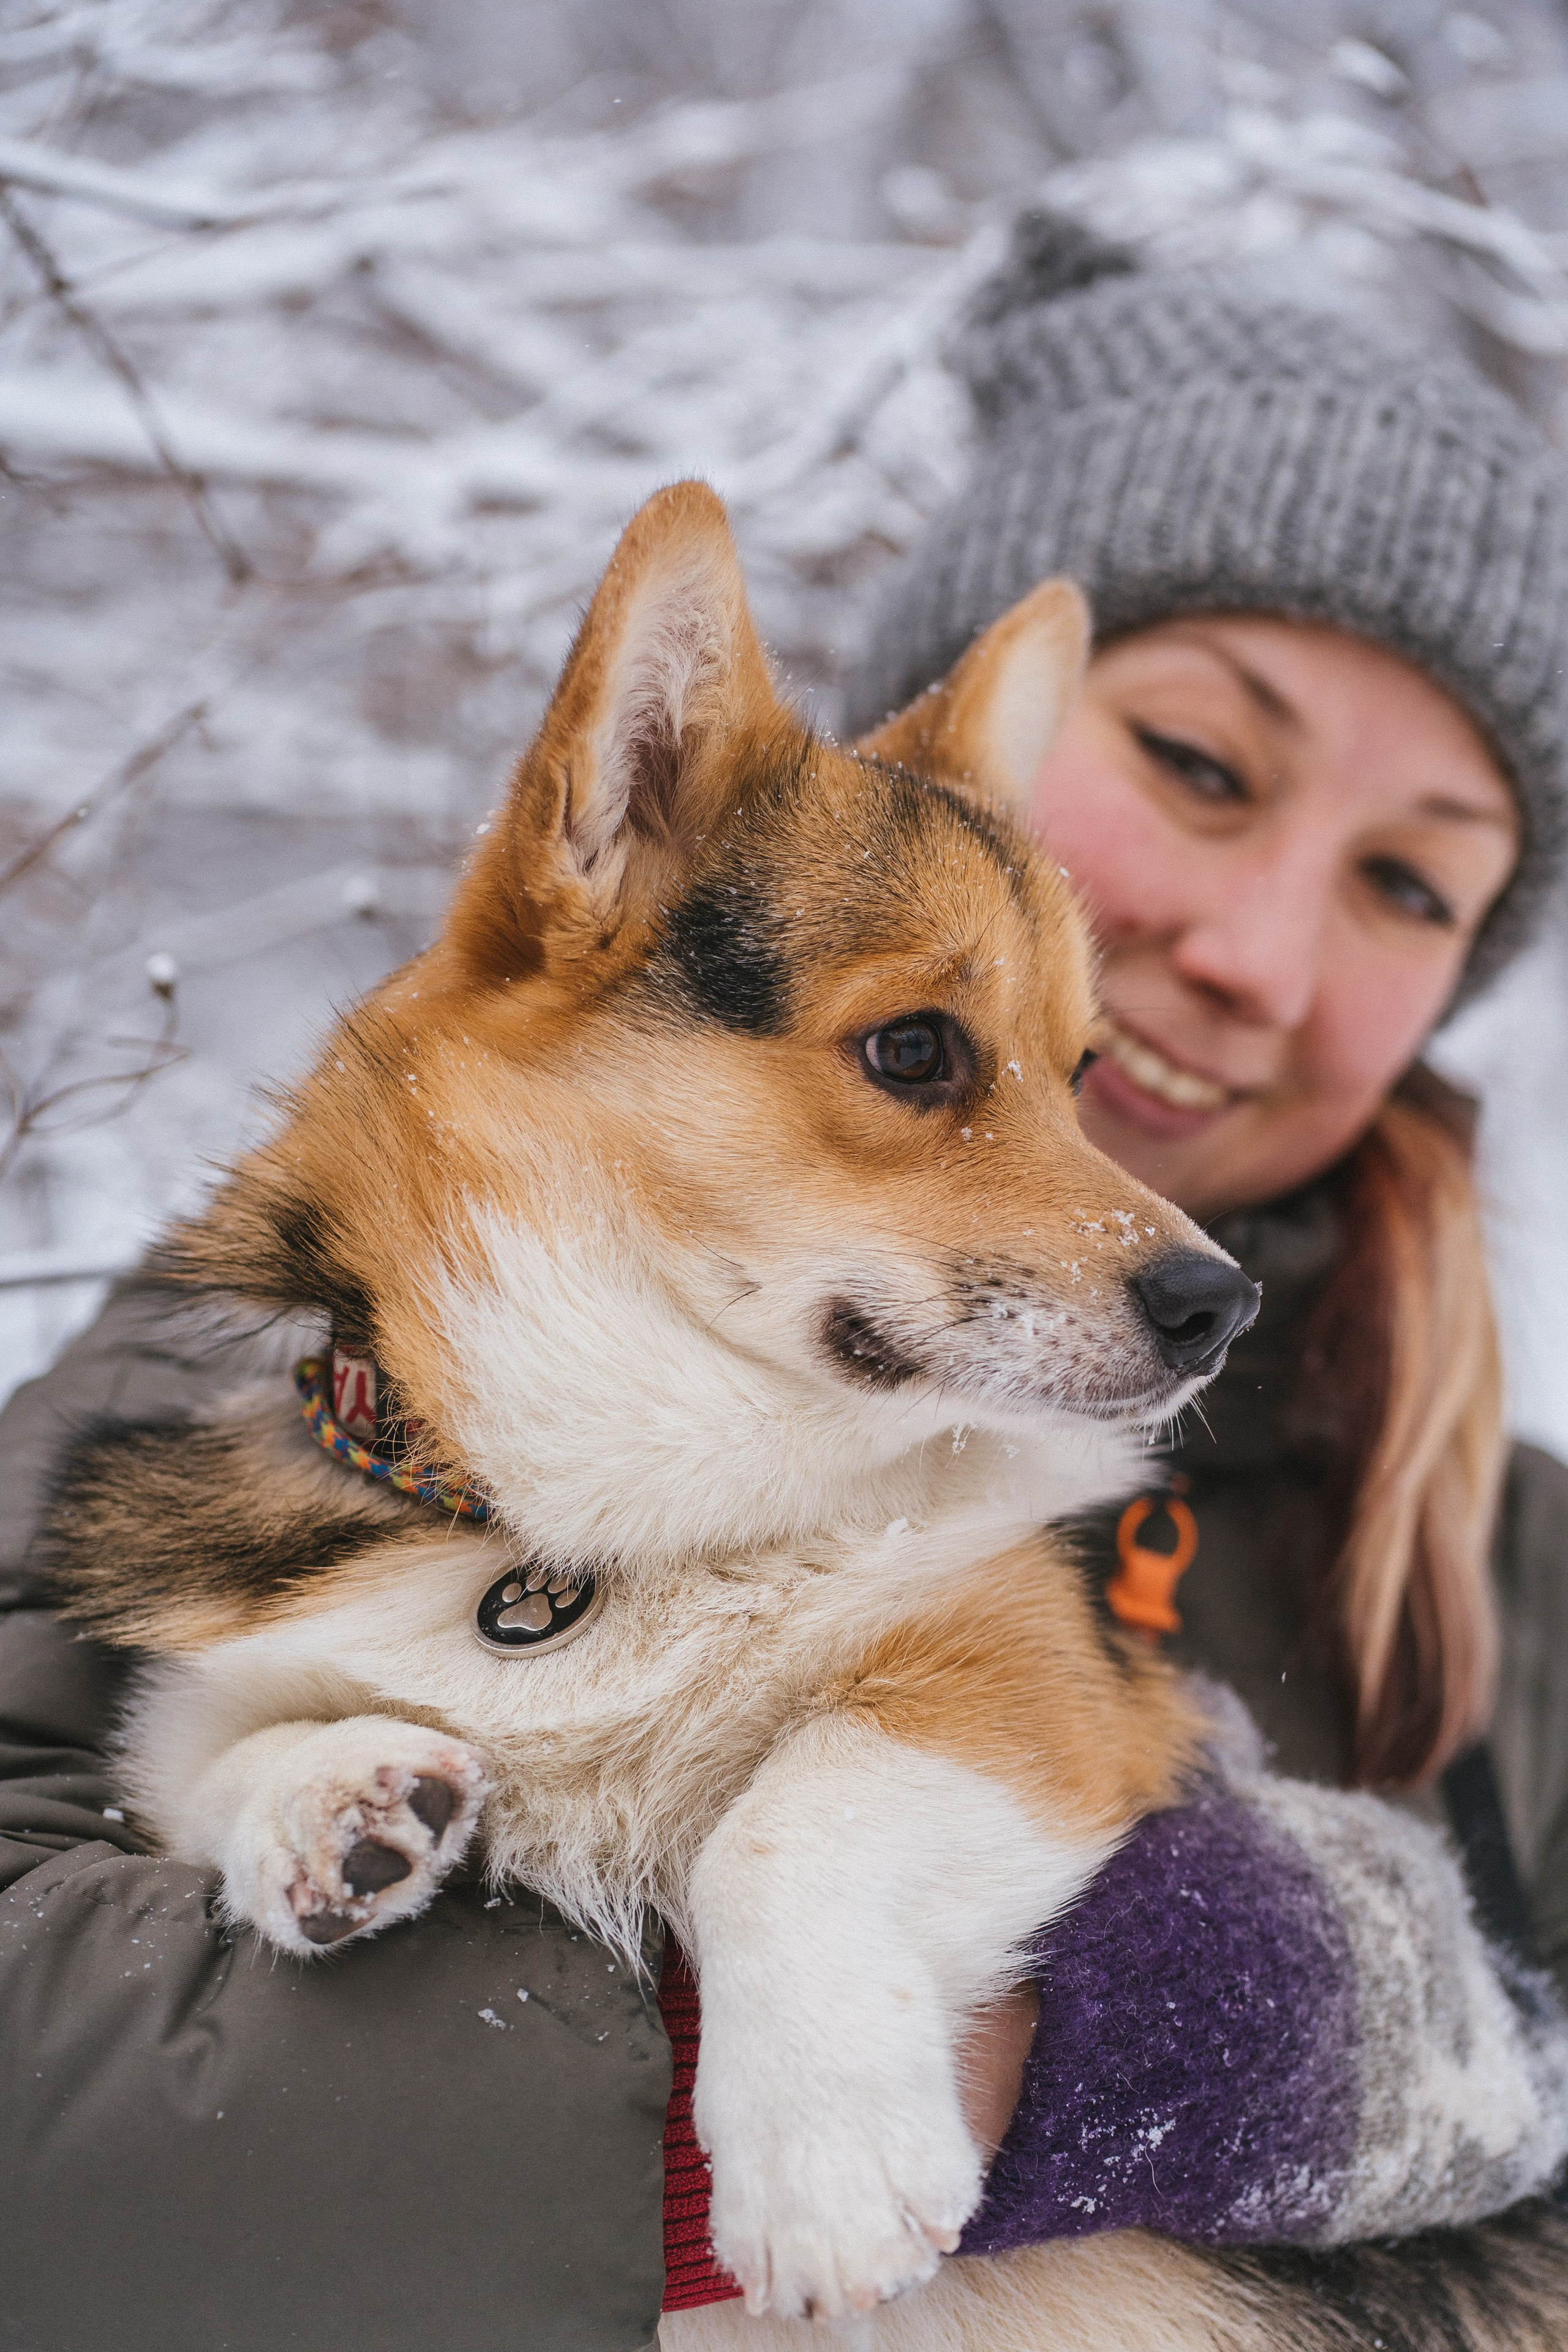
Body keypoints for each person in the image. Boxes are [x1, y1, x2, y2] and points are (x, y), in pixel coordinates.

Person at [3, 213, 1568, 2349]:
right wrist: (802, 2106)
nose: (1263, 952)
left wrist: (1388, 2027)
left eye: (1410, 882)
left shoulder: (1523, 1581)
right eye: (1202, 764)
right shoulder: (264, 1374)